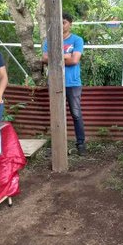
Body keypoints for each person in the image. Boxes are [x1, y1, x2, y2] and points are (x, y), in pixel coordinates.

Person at [41, 13, 86, 155]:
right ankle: (57, 145)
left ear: (70, 24)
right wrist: (67, 55)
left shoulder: (77, 40)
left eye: (64, 22)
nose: (62, 25)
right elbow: (44, 59)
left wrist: (56, 56)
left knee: (76, 113)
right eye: (59, 22)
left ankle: (81, 144)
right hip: (54, 83)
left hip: (72, 83)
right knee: (56, 114)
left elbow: (74, 61)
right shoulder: (49, 41)